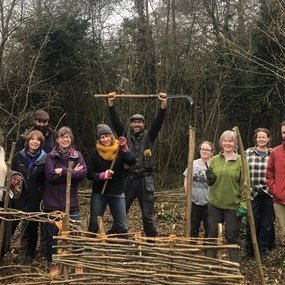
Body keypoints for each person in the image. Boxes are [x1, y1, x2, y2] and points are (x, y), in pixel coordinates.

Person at [107, 92, 168, 237]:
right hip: (128, 179)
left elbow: (158, 122)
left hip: (146, 180)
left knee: (147, 213)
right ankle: (118, 235)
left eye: (139, 122)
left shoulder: (149, 136)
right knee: (122, 209)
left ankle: (151, 238)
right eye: (134, 122)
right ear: (130, 124)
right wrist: (111, 104)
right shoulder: (124, 136)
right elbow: (115, 122)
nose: (137, 124)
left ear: (143, 124)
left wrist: (163, 105)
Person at [43, 126, 87, 269]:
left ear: (71, 138)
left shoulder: (77, 155)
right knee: (52, 236)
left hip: (72, 203)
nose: (65, 139)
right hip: (52, 203)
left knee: (76, 233)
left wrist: (62, 170)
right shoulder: (50, 156)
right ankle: (53, 262)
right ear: (57, 139)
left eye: (67, 136)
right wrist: (71, 172)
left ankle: (77, 263)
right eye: (62, 137)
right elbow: (50, 176)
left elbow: (82, 175)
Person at [87, 124, 135, 236]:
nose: (105, 139)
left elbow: (132, 161)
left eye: (107, 136)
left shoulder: (119, 150)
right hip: (99, 193)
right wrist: (101, 176)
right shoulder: (95, 154)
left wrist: (125, 148)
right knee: (94, 224)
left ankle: (122, 249)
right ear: (99, 139)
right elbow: (89, 174)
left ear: (112, 136)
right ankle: (90, 249)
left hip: (117, 192)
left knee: (121, 225)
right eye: (102, 137)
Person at [205, 130, 246, 262]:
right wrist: (209, 178)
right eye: (225, 141)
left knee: (231, 236)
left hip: (232, 206)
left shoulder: (241, 161)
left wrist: (244, 203)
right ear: (221, 143)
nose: (227, 143)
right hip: (214, 203)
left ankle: (233, 265)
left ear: (235, 144)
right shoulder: (215, 160)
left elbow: (245, 184)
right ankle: (211, 263)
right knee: (212, 234)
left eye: (230, 141)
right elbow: (210, 182)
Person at [11, 130, 46, 263]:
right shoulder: (17, 157)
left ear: (41, 143)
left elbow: (46, 180)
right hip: (18, 198)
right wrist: (14, 178)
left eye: (38, 140)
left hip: (35, 199)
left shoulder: (44, 158)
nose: (35, 142)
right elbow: (10, 173)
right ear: (28, 141)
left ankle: (29, 255)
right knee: (11, 226)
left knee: (32, 228)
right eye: (32, 139)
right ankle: (3, 251)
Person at [244, 128, 274, 258]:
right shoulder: (248, 153)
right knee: (251, 221)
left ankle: (262, 250)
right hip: (253, 192)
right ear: (256, 139)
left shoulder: (273, 153)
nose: (261, 139)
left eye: (264, 137)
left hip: (268, 193)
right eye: (259, 137)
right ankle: (249, 250)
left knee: (266, 223)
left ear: (268, 139)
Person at [183, 141, 214, 238]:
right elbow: (186, 179)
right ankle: (193, 246)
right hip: (194, 201)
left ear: (211, 152)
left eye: (207, 150)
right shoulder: (193, 163)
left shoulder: (214, 164)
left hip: (209, 202)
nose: (204, 151)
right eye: (202, 149)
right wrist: (188, 194)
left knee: (209, 227)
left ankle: (206, 248)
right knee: (193, 226)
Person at [266, 120, 285, 245]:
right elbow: (269, 173)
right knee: (284, 232)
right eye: (284, 132)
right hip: (280, 199)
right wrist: (275, 190)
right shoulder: (276, 152)